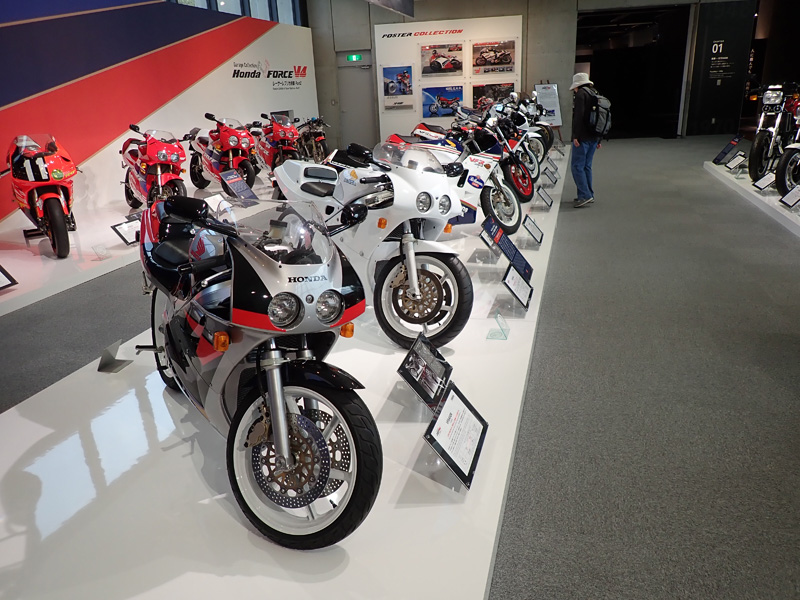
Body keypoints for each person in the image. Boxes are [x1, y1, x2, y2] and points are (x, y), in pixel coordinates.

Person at [570, 72, 601, 208]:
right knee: (586, 166)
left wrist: (575, 136)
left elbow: (578, 116)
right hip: (594, 136)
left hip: (583, 137)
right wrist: (599, 139)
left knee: (577, 166)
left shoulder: (581, 94)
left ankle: (585, 195)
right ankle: (589, 194)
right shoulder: (595, 93)